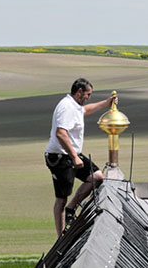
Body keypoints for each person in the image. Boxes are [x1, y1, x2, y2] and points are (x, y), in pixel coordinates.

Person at [45, 78, 117, 235]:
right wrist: (74, 157)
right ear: (79, 92)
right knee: (61, 198)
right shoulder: (66, 107)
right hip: (60, 156)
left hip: (71, 154)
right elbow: (60, 134)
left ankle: (72, 207)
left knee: (97, 177)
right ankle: (61, 236)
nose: (89, 98)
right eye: (88, 94)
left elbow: (86, 110)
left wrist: (107, 102)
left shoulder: (75, 106)